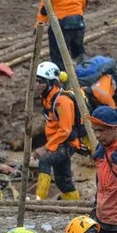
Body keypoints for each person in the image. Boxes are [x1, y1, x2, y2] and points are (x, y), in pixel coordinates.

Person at [33, 61, 83, 201]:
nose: (37, 85)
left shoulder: (62, 101)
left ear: (51, 83)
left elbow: (65, 130)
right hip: (58, 143)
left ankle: (39, 200)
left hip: (68, 143)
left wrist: (45, 148)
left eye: (41, 82)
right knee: (63, 182)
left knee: (45, 161)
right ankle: (74, 204)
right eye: (36, 81)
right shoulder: (47, 98)